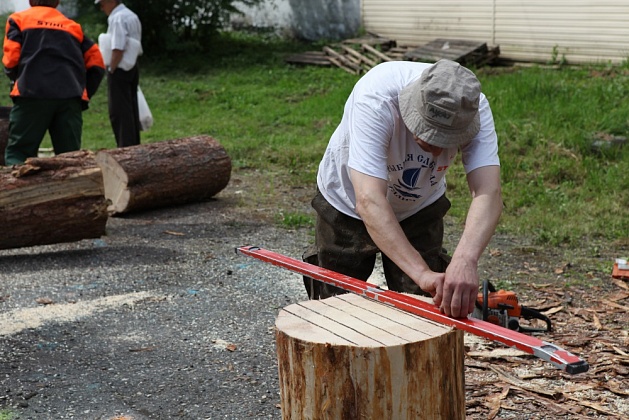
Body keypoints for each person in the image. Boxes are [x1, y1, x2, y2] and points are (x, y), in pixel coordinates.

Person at [304, 59, 503, 319]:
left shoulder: (470, 107)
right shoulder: (376, 100)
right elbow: (369, 200)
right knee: (337, 308)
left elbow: (488, 191)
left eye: (448, 140)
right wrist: (421, 273)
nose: (437, 151)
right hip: (347, 202)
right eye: (429, 137)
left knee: (425, 314)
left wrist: (465, 260)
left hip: (420, 206)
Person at [2, 0, 105, 166]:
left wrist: (18, 78)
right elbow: (97, 63)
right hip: (70, 97)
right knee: (71, 159)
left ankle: (20, 182)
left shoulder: (18, 20)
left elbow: (11, 59)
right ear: (57, 2)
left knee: (19, 154)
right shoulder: (72, 26)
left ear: (30, 1)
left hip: (31, 93)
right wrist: (83, 92)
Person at [96, 0, 142, 148]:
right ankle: (134, 145)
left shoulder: (117, 18)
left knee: (119, 111)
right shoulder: (131, 15)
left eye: (102, 4)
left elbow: (118, 47)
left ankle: (125, 147)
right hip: (132, 66)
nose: (102, 8)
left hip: (120, 68)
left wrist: (111, 68)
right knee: (131, 108)